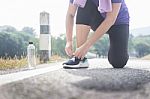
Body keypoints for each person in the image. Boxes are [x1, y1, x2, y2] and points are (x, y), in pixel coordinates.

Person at [63, 0, 130, 69]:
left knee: (118, 62)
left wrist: (86, 46)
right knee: (84, 3)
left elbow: (110, 19)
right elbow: (70, 14)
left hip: (118, 22)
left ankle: (122, 49)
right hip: (98, 18)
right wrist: (69, 41)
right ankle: (80, 58)